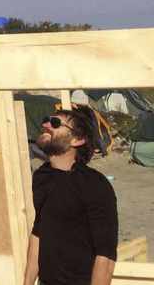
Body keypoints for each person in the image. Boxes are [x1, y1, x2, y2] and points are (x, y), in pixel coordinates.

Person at [23, 107, 117, 285]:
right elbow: (38, 232)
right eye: (46, 119)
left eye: (55, 123)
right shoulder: (42, 176)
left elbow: (105, 256)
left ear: (78, 140)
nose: (45, 125)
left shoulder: (95, 185)